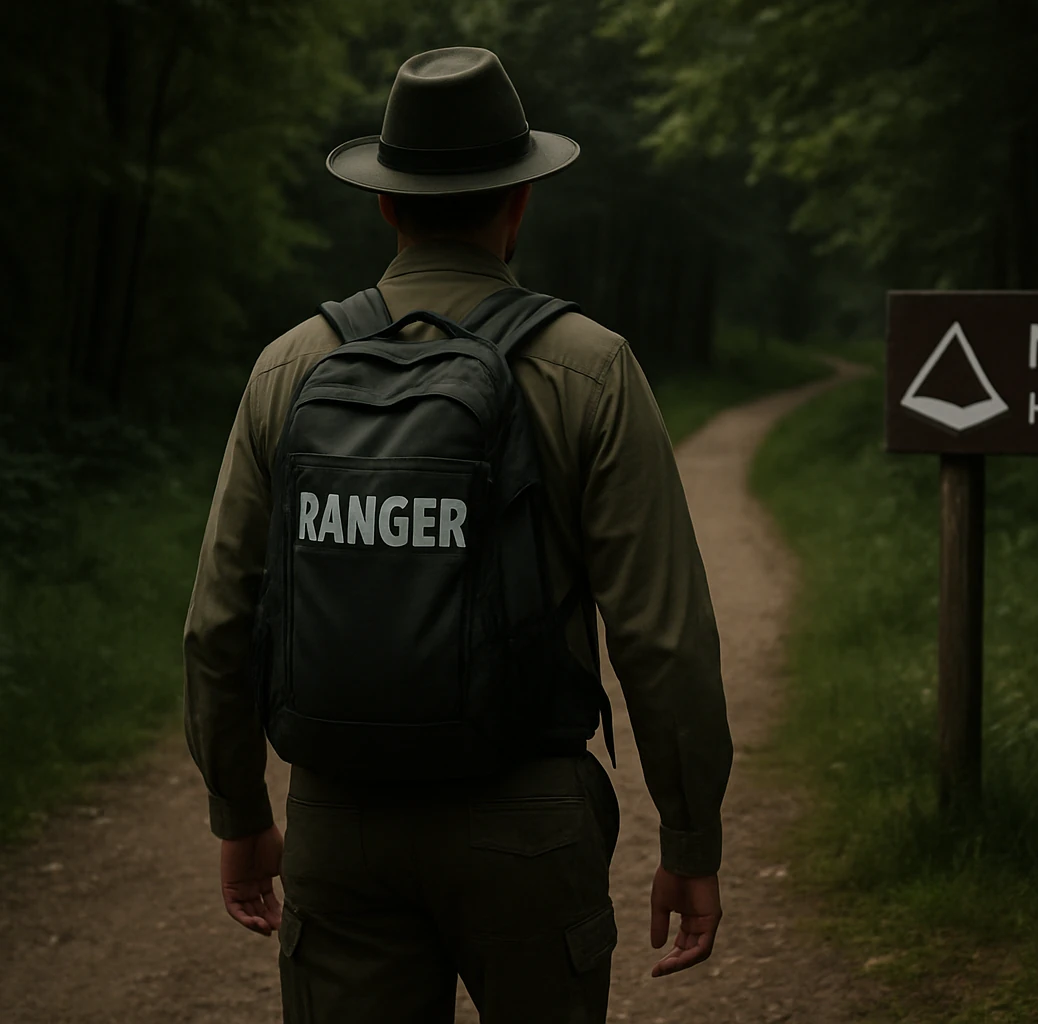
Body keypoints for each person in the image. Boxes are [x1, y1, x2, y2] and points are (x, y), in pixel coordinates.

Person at [182, 46, 733, 1023]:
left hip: (338, 823)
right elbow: (664, 638)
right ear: (519, 201)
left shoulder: (289, 367)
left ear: (387, 204)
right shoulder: (589, 366)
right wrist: (689, 843)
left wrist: (240, 811)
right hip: (526, 822)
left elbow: (220, 621)